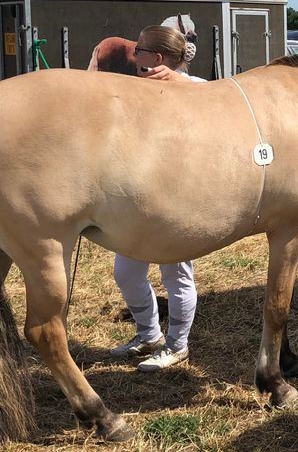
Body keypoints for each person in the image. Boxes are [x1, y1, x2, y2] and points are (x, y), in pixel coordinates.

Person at [108, 24, 202, 371]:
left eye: (139, 49)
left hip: (176, 196)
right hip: (139, 196)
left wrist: (181, 82)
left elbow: (223, 98)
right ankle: (148, 335)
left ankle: (178, 345)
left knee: (175, 272)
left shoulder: (195, 87)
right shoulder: (139, 86)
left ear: (157, 57)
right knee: (126, 272)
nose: (134, 55)